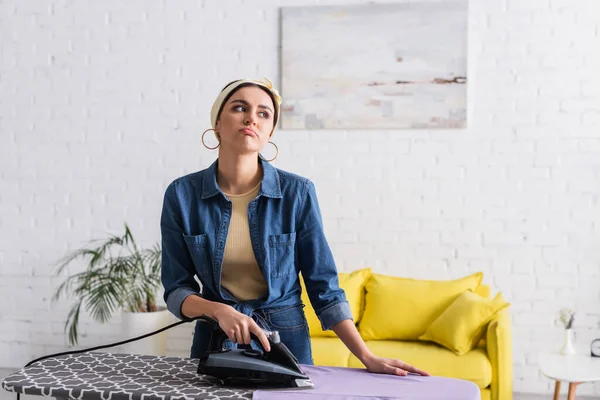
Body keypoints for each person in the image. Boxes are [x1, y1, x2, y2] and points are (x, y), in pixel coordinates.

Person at [160, 77, 429, 377]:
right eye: (239, 108)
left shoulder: (297, 193)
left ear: (270, 132)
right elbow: (176, 289)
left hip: (286, 341)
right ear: (218, 123)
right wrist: (219, 310)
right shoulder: (181, 195)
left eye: (264, 113)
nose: (252, 118)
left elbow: (323, 286)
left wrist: (366, 356)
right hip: (216, 341)